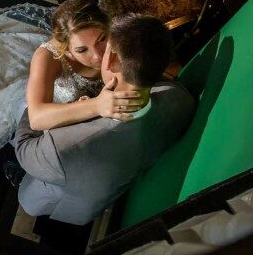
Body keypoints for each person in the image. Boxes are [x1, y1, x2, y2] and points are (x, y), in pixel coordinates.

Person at [11, 14, 196, 226]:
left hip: (65, 191)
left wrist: (35, 108)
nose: (98, 58)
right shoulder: (180, 99)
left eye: (105, 46)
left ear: (113, 58)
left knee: (28, 198)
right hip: (109, 182)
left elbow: (24, 146)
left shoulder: (61, 149)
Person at [0, 0, 146, 163]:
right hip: (52, 106)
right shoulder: (48, 56)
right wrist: (95, 105)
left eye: (102, 40)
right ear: (65, 48)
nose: (97, 56)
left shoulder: (119, 35)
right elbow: (37, 118)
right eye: (81, 50)